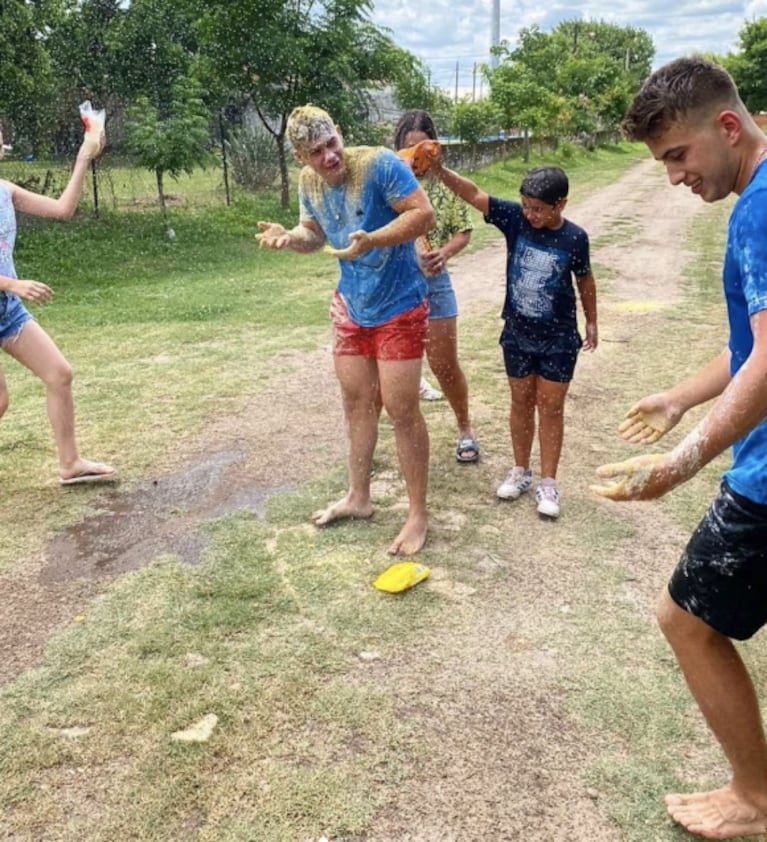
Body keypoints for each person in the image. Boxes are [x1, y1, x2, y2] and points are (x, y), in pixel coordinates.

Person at [592, 56, 767, 840]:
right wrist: (677, 397)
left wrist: (683, 460)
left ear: (726, 127)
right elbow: (748, 347)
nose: (671, 177)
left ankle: (755, 798)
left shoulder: (758, 208)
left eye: (676, 156)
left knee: (686, 621)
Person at [256, 105, 434, 556]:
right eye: (316, 152)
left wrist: (374, 238)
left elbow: (423, 214)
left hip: (399, 304)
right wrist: (290, 236)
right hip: (352, 305)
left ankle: (417, 514)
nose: (329, 156)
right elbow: (315, 234)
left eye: (332, 143)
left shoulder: (378, 164)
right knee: (356, 402)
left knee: (401, 408)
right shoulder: (309, 182)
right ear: (302, 157)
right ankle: (359, 497)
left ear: (340, 134)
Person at [430, 153, 597, 518]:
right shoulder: (514, 220)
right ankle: (520, 471)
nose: (530, 214)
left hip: (559, 339)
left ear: (560, 205)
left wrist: (593, 322)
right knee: (521, 402)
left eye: (538, 209)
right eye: (525, 206)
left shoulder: (575, 239)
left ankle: (548, 483)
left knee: (550, 407)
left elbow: (585, 279)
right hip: (518, 334)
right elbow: (473, 194)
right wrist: (439, 170)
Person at [0, 125, 116, 486]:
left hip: (6, 310)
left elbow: (64, 209)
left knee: (59, 374)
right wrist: (12, 283)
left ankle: (70, 463)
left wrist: (84, 154)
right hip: (9, 293)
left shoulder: (6, 191)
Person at [393, 109, 479, 463]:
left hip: (434, 281)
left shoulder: (445, 182)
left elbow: (464, 230)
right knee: (395, 364)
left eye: (422, 148)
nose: (415, 156)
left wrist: (443, 253)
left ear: (434, 146)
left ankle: (465, 428)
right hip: (395, 284)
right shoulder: (386, 180)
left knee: (443, 363)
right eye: (408, 148)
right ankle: (405, 442)